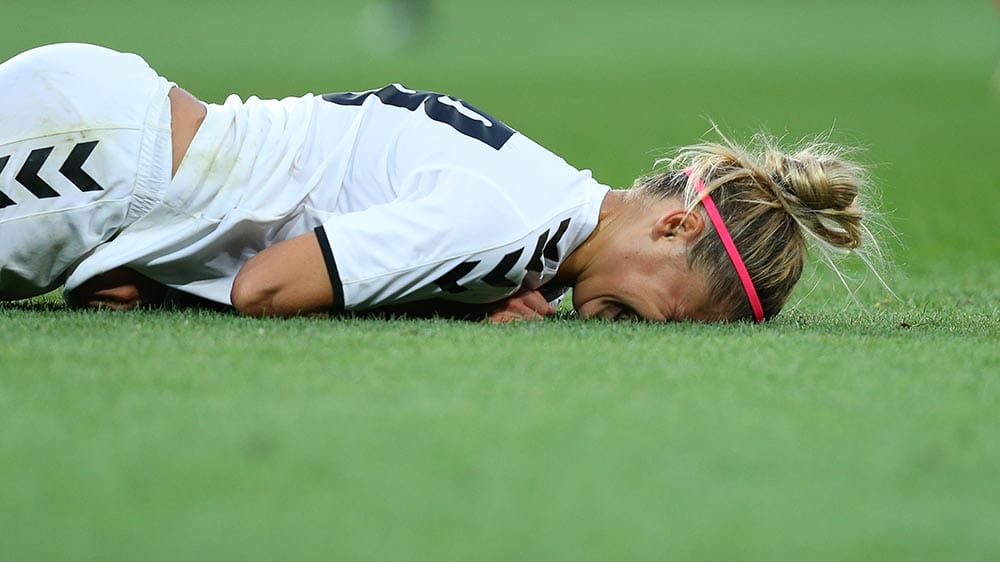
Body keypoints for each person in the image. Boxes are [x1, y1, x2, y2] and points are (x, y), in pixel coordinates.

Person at [0, 43, 883, 323]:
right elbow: (263, 288)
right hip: (98, 160)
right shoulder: (509, 220)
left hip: (112, 137)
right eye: (680, 313)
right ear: (677, 229)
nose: (656, 332)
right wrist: (443, 300)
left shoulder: (537, 213)